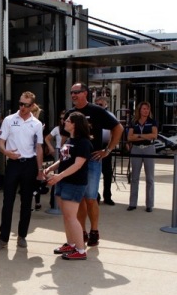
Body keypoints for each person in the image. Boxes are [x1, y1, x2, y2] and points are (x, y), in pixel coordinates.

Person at [62, 82, 123, 247]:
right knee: (79, 198)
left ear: (85, 93)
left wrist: (108, 150)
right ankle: (81, 232)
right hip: (74, 162)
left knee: (90, 198)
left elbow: (118, 128)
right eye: (71, 92)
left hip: (92, 161)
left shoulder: (97, 111)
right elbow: (64, 138)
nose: (73, 95)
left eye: (77, 92)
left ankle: (94, 231)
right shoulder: (70, 113)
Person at [0, 91, 45, 251]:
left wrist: (40, 169)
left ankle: (22, 236)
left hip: (29, 165)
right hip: (13, 164)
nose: (22, 107)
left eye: (26, 105)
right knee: (8, 202)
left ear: (32, 106)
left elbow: (39, 148)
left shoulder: (36, 124)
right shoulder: (9, 120)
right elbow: (1, 141)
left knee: (26, 202)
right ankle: (3, 238)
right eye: (20, 104)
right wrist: (6, 153)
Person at [44, 112, 93, 260]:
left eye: (68, 120)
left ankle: (80, 250)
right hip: (64, 182)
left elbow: (78, 165)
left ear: (75, 124)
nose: (64, 122)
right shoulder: (69, 140)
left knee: (72, 217)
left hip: (74, 183)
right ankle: (71, 244)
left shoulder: (84, 143)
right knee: (66, 216)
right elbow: (64, 159)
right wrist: (51, 168)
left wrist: (59, 176)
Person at [127, 101, 158, 212]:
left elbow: (154, 135)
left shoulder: (152, 122)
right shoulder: (134, 122)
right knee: (135, 177)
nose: (146, 111)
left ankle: (149, 204)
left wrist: (139, 135)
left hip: (149, 149)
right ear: (139, 110)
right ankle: (132, 203)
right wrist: (144, 136)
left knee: (149, 178)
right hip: (136, 149)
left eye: (147, 109)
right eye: (144, 108)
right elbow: (130, 137)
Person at [95, 96, 117, 206]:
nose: (99, 106)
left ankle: (107, 196)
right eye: (97, 104)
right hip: (94, 146)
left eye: (101, 104)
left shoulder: (110, 116)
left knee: (107, 172)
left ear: (106, 105)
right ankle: (96, 196)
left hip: (105, 145)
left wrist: (109, 148)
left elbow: (115, 131)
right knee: (95, 173)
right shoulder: (92, 115)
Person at [44, 109, 66, 209]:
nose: (62, 120)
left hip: (68, 153)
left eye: (64, 118)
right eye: (61, 118)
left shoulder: (71, 128)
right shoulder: (57, 129)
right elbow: (47, 138)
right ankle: (54, 203)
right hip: (59, 152)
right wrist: (51, 147)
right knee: (56, 176)